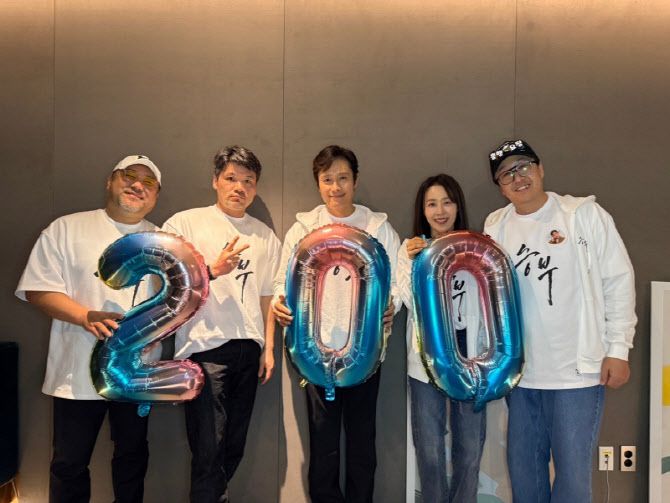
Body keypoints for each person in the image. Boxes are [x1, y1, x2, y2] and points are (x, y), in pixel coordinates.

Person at [484, 139, 637, 502]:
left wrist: (619, 349)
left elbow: (618, 280)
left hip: (576, 373)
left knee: (572, 477)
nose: (518, 178)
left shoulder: (583, 215)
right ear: (500, 187)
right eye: (506, 174)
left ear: (540, 169)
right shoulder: (496, 226)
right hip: (521, 374)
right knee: (525, 472)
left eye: (523, 166)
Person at [16, 155, 162, 503]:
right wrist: (85, 316)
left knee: (132, 459)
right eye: (129, 176)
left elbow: (181, 297)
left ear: (156, 195)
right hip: (76, 372)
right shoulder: (67, 228)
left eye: (149, 182)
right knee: (69, 462)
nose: (137, 185)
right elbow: (37, 288)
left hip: (137, 373)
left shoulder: (165, 240)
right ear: (110, 181)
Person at [272, 145, 400, 503]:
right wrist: (281, 302)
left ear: (355, 181)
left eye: (343, 178)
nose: (335, 187)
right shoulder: (303, 229)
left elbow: (397, 278)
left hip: (366, 352)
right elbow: (282, 279)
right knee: (323, 443)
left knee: (362, 442)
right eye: (327, 179)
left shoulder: (378, 227)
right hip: (315, 352)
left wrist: (394, 304)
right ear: (318, 183)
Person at [162, 145, 280, 503]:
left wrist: (268, 348)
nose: (239, 187)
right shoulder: (184, 224)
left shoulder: (264, 235)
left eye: (248, 181)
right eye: (231, 178)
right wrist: (211, 270)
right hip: (203, 349)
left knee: (233, 446)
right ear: (215, 180)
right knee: (208, 448)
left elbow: (268, 297)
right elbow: (167, 282)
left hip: (249, 350)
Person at [397, 174, 487, 503]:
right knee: (430, 450)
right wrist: (415, 262)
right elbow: (409, 300)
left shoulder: (477, 247)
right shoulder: (410, 250)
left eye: (447, 202)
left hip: (471, 360)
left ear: (458, 206)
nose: (440, 211)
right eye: (432, 204)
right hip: (427, 362)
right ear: (422, 211)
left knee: (470, 450)